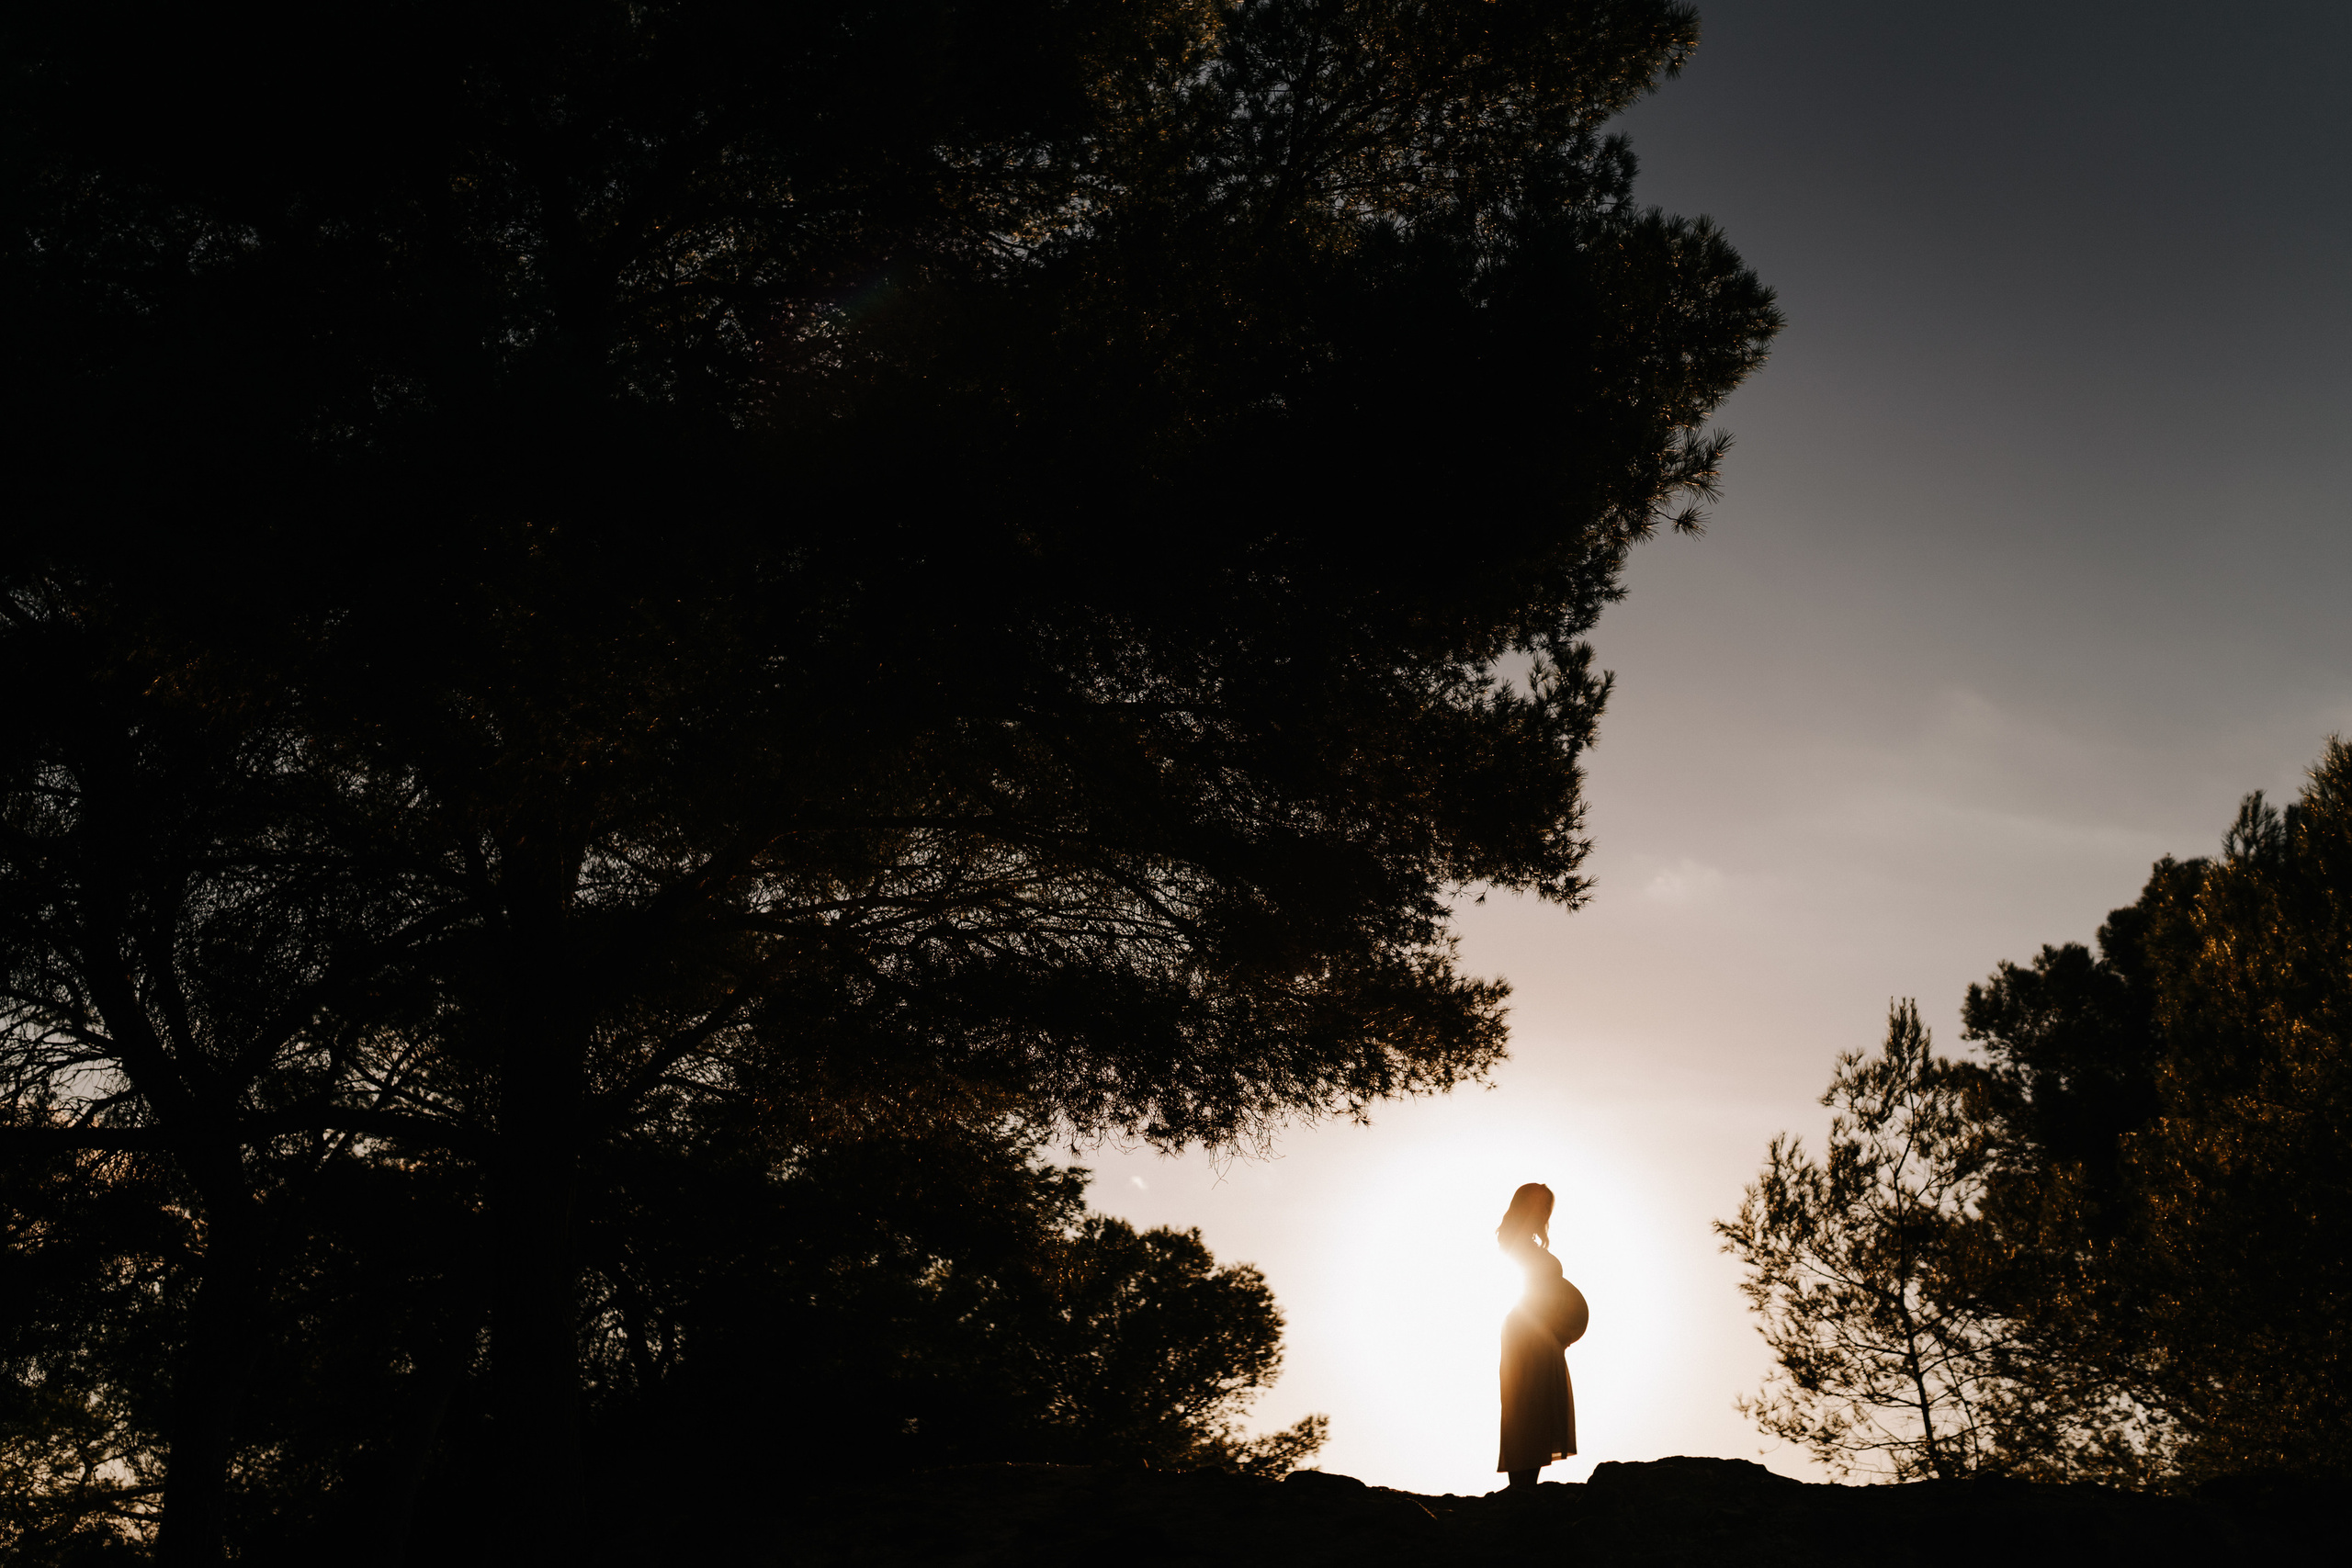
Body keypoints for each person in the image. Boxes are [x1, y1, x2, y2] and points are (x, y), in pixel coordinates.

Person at [1496, 1181, 1587, 1490]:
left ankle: (1527, 1485)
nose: (1544, 1210)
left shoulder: (1531, 1244)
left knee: (1540, 1403)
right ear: (1522, 1205)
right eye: (1537, 1203)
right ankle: (1520, 1487)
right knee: (1524, 1401)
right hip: (1527, 1330)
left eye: (1547, 1205)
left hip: (1544, 1332)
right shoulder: (1515, 1240)